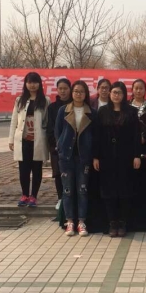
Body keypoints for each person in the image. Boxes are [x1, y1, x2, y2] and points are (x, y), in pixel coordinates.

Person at [93, 81, 141, 237]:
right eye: (114, 92)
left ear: (124, 95)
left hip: (126, 157)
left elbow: (136, 136)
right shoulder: (102, 111)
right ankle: (112, 222)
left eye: (119, 93)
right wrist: (96, 156)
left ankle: (123, 222)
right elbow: (97, 136)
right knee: (109, 191)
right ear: (109, 94)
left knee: (125, 190)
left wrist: (137, 155)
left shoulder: (131, 112)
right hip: (106, 157)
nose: (116, 95)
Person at [55, 80, 95, 237]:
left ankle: (81, 222)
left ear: (86, 94)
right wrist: (60, 146)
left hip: (84, 156)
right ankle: (70, 221)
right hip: (66, 156)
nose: (78, 94)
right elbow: (57, 131)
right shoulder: (63, 110)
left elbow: (94, 134)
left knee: (82, 190)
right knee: (67, 190)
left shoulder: (91, 112)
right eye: (76, 91)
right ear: (72, 93)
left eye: (82, 91)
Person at [9, 72, 50, 207]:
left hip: (38, 141)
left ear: (39, 84)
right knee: (23, 169)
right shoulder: (19, 100)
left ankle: (34, 196)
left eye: (35, 82)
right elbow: (14, 121)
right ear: (25, 84)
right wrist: (11, 140)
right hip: (23, 140)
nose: (32, 85)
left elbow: (47, 121)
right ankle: (25, 195)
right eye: (29, 82)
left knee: (37, 169)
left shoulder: (45, 101)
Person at [46, 78, 72, 212]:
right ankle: (60, 198)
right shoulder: (52, 107)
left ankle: (71, 197)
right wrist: (56, 143)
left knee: (71, 172)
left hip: (72, 146)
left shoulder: (75, 105)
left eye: (65, 88)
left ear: (70, 89)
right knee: (58, 173)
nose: (63, 91)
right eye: (60, 88)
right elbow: (50, 127)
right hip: (57, 146)